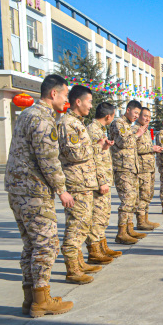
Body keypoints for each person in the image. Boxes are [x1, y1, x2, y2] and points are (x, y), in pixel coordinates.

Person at [5, 74, 74, 317]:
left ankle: (29, 297)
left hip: (18, 189)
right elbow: (48, 159)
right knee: (46, 244)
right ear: (53, 94)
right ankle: (42, 299)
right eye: (65, 94)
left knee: (31, 245)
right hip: (34, 190)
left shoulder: (27, 114)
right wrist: (62, 190)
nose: (66, 99)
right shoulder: (43, 119)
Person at [58, 85, 107, 285]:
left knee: (84, 224)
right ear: (78, 101)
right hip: (76, 183)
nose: (91, 106)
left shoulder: (78, 123)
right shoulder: (68, 123)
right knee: (76, 226)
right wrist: (96, 148)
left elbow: (83, 151)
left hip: (85, 182)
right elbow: (74, 153)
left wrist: (97, 147)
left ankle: (79, 263)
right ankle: (72, 269)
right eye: (89, 101)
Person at [87, 102, 126, 253]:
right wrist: (102, 181)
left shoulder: (99, 130)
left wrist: (105, 146)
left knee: (103, 215)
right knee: (97, 216)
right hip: (98, 181)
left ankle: (102, 247)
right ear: (108, 116)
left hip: (104, 178)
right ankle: (95, 250)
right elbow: (94, 158)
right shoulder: (93, 130)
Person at [109, 100, 147, 242]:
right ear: (128, 110)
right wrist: (137, 134)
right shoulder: (118, 123)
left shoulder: (128, 126)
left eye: (138, 113)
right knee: (127, 200)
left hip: (132, 168)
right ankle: (121, 233)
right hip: (122, 168)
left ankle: (129, 228)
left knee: (133, 200)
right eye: (135, 113)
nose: (137, 116)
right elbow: (123, 142)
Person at [134, 107, 163, 230]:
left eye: (150, 117)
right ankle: (140, 221)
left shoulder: (145, 130)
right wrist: (152, 148)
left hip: (149, 167)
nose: (148, 119)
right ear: (139, 116)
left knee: (148, 194)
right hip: (142, 168)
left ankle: (145, 219)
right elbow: (134, 147)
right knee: (143, 194)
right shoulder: (135, 130)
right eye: (145, 116)